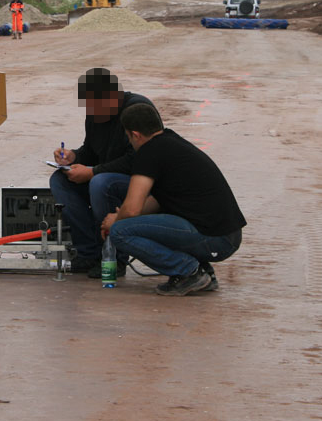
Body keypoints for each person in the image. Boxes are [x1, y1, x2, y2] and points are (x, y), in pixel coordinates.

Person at [101, 103, 246, 296]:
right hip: (228, 235)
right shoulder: (170, 141)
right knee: (139, 221)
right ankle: (204, 273)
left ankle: (189, 272)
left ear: (135, 135)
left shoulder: (148, 152)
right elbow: (158, 201)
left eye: (129, 137)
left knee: (120, 232)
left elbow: (133, 209)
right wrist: (125, 215)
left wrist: (115, 220)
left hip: (216, 240)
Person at [49, 68, 158, 277]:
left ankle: (114, 257)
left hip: (139, 184)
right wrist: (73, 157)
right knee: (60, 181)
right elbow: (91, 152)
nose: (89, 110)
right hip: (106, 175)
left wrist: (92, 173)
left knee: (101, 183)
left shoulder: (136, 110)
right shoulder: (95, 117)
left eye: (93, 104)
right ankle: (89, 252)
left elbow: (139, 159)